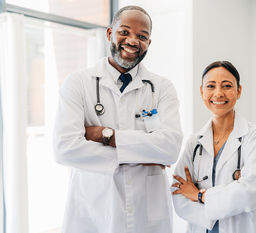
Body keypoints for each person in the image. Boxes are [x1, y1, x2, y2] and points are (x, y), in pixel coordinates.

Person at [53, 5, 183, 233]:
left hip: (147, 216)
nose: (133, 41)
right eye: (124, 31)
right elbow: (65, 148)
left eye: (142, 36)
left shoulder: (161, 88)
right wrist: (143, 154)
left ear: (148, 44)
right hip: (93, 212)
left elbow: (170, 148)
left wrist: (106, 135)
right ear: (109, 33)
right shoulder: (78, 83)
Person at [171, 61, 256, 233]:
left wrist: (200, 195)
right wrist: (223, 205)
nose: (218, 93)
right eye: (210, 86)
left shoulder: (254, 136)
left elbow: (253, 192)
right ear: (202, 92)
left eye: (226, 86)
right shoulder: (194, 143)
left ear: (238, 91)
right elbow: (179, 196)